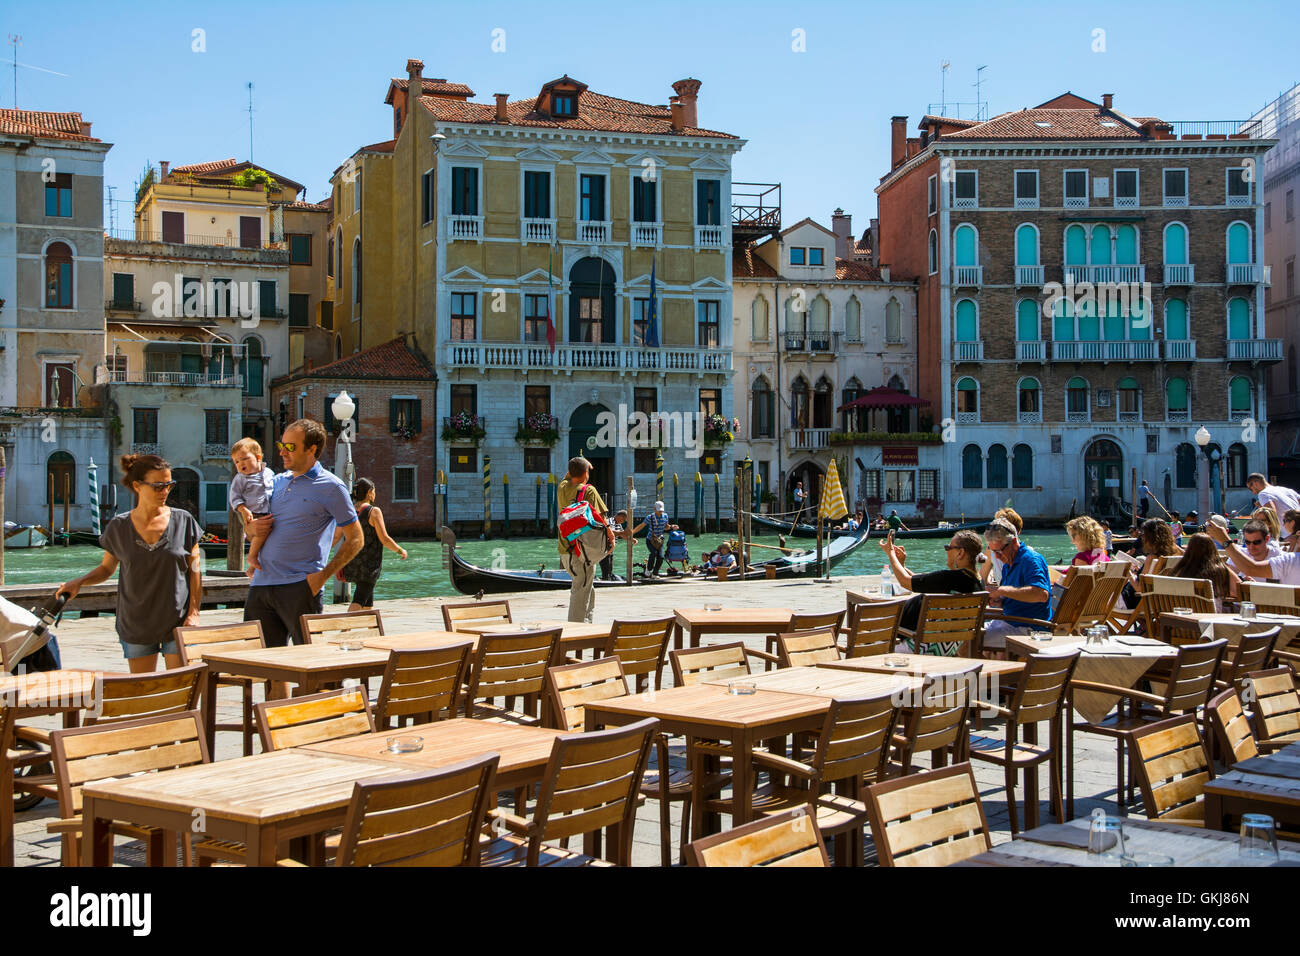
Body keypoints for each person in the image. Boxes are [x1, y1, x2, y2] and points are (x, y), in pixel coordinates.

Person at [57, 454, 202, 672]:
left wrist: (194, 613)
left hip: (178, 620)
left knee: (180, 691)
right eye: (158, 486)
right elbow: (106, 569)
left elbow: (196, 570)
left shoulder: (184, 520)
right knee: (142, 691)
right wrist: (80, 582)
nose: (164, 492)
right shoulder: (118, 526)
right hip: (135, 622)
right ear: (137, 486)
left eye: (169, 485)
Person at [242, 420, 364, 650]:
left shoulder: (332, 487)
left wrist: (321, 577)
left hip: (301, 587)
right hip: (261, 585)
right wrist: (250, 529)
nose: (282, 452)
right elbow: (252, 528)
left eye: (290, 447)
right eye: (282, 445)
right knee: (266, 668)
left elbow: (356, 538)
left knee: (311, 667)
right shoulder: (275, 483)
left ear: (312, 449)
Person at [881, 530, 983, 644]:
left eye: (948, 548)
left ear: (961, 553)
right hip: (946, 645)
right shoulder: (977, 582)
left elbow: (905, 582)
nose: (947, 551)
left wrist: (891, 554)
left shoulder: (948, 578)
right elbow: (919, 580)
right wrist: (901, 565)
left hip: (914, 643)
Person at [330, 477, 407, 611]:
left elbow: (336, 536)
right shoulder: (374, 511)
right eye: (374, 491)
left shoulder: (349, 511)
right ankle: (344, 629)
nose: (375, 494)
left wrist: (322, 551)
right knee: (359, 599)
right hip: (369, 564)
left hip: (352, 561)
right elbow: (384, 538)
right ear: (369, 492)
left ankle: (373, 630)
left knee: (367, 602)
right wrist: (400, 550)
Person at [557, 456, 615, 623]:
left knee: (586, 588)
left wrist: (580, 465)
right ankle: (575, 632)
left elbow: (568, 475)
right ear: (586, 473)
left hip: (565, 550)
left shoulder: (562, 488)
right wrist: (611, 538)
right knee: (580, 592)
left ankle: (586, 624)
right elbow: (602, 519)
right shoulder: (589, 491)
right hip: (581, 552)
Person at [982, 519, 1052, 651]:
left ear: (1013, 542)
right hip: (1012, 622)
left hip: (1029, 628)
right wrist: (999, 601)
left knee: (970, 640)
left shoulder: (1030, 560)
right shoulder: (1009, 562)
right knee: (964, 637)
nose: (996, 557)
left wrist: (1002, 591)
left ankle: (982, 671)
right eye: (993, 552)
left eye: (999, 551)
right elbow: (1015, 594)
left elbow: (1041, 595)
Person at [228, 437, 276, 575]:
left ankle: (252, 569)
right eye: (236, 461)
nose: (240, 464)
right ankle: (252, 557)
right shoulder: (240, 478)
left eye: (244, 459)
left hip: (269, 512)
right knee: (262, 534)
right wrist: (243, 509)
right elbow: (234, 497)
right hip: (253, 513)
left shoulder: (269, 473)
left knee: (267, 543)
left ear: (258, 457)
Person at [1207, 518, 1300, 585]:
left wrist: (1226, 542)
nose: (1251, 546)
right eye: (1247, 542)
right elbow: (1225, 579)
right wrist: (1241, 580)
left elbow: (1251, 569)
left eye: (1256, 542)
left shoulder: (1282, 557)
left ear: (1267, 539)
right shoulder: (1241, 553)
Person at [1170, 533, 1239, 611]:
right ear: (1213, 549)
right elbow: (1238, 591)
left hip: (1183, 614)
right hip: (1210, 617)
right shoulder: (1219, 570)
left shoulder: (1180, 570)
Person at [979, 506, 1024, 588]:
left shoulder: (990, 551)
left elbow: (983, 579)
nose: (997, 555)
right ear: (1019, 531)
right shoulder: (1028, 553)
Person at [644, 501, 669, 576]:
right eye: (658, 511)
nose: (660, 512)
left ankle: (655, 573)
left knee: (661, 557)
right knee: (653, 553)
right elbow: (642, 525)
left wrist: (671, 527)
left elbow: (666, 527)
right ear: (654, 509)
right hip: (650, 540)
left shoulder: (665, 516)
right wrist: (632, 532)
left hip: (660, 540)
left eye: (661, 511)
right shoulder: (650, 517)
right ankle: (648, 569)